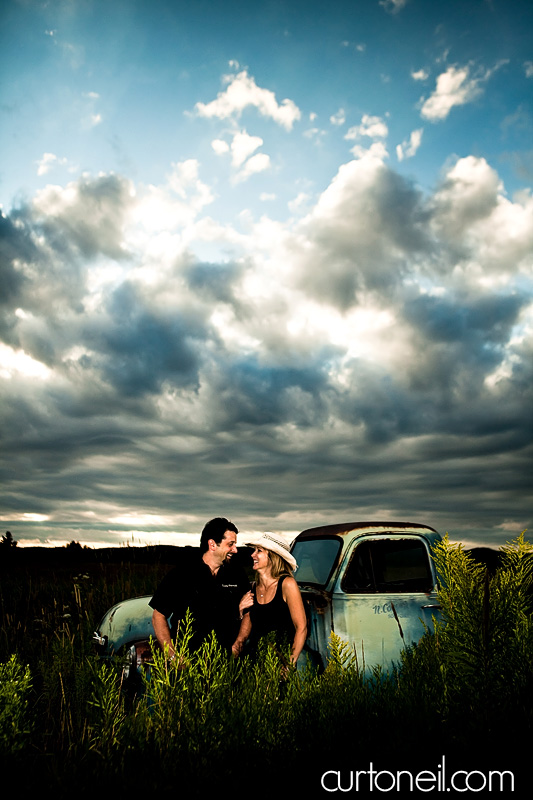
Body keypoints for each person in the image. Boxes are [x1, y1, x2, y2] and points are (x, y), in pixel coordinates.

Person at [149, 518, 253, 659]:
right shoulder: (182, 574)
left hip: (226, 663)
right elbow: (158, 616)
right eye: (230, 544)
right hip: (188, 663)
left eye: (235, 544)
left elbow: (248, 614)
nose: (235, 550)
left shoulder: (237, 574)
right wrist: (173, 656)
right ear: (212, 544)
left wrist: (238, 645)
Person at [232, 531, 307, 667]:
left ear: (273, 557)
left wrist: (290, 663)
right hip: (257, 659)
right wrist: (237, 645)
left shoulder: (287, 584)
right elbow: (245, 627)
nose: (252, 555)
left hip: (282, 657)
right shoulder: (253, 587)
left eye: (259, 551)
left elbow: (301, 627)